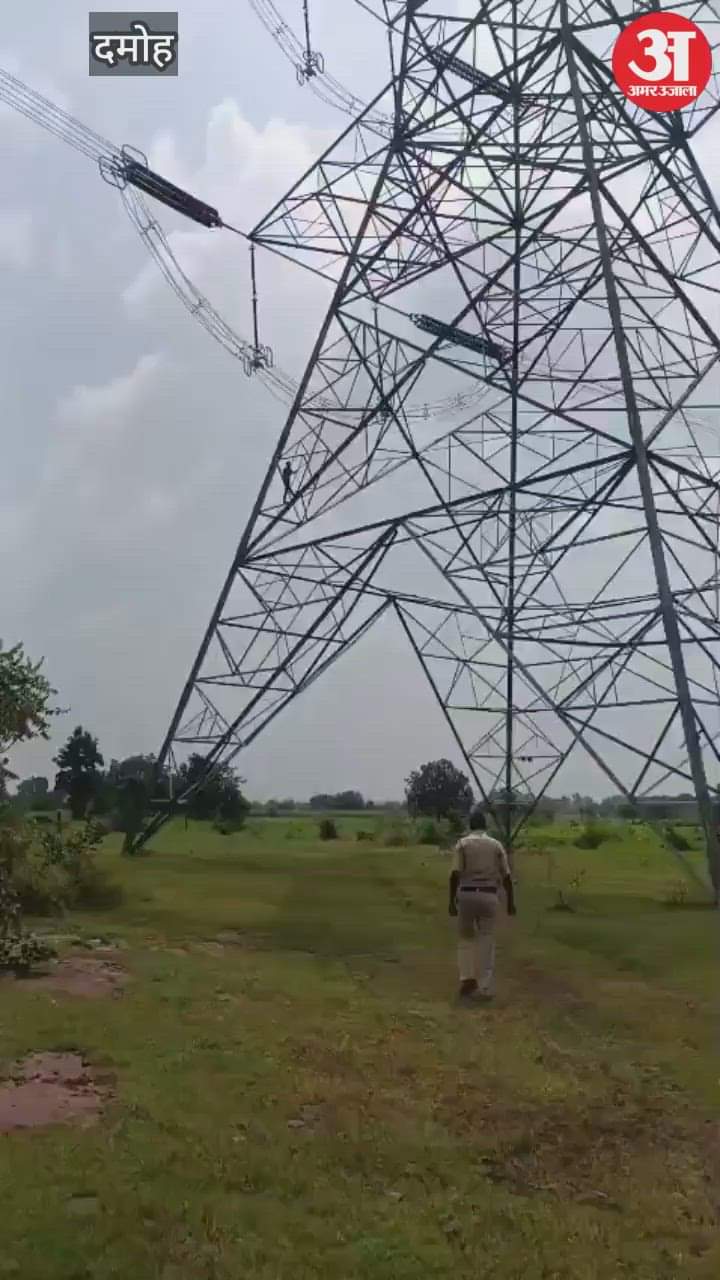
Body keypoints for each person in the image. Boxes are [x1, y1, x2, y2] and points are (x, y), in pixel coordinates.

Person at [448, 806, 516, 1002]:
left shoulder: (462, 844)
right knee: (486, 940)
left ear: (470, 825)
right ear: (485, 826)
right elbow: (507, 877)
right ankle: (485, 987)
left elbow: (454, 874)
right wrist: (511, 903)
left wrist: (451, 901)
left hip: (467, 895)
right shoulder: (495, 845)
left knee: (466, 939)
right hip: (488, 895)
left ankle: (467, 980)